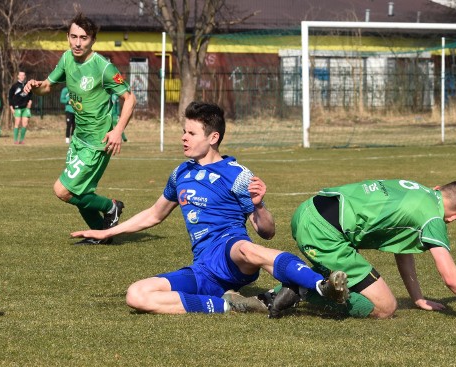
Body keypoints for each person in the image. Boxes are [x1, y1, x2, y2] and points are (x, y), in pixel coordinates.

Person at [71, 101, 349, 315]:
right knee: (137, 295)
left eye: (191, 133)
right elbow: (154, 214)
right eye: (184, 131)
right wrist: (107, 233)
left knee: (245, 247)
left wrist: (259, 205)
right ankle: (231, 305)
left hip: (231, 253)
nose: (184, 137)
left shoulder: (237, 174)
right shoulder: (180, 173)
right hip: (203, 267)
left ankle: (322, 286)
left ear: (213, 137)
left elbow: (266, 232)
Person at [265, 179, 456, 320]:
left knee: (367, 289)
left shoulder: (418, 190)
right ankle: (299, 289)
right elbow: (450, 277)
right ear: (455, 218)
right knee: (385, 307)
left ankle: (303, 284)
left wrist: (417, 298)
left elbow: (403, 250)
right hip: (324, 232)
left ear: (438, 188)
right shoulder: (434, 219)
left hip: (309, 210)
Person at [24, 13, 135, 244]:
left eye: (83, 38)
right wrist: (35, 86)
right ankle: (101, 236)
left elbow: (129, 98)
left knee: (63, 190)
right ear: (67, 37)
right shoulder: (66, 58)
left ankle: (110, 206)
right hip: (79, 138)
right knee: (80, 192)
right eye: (73, 36)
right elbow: (47, 87)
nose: (77, 43)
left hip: (97, 142)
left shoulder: (103, 67)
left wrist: (117, 131)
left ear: (92, 40)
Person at [9, 71, 32, 144]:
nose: (22, 76)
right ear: (18, 76)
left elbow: (31, 94)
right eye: (20, 75)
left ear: (25, 76)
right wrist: (11, 107)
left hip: (25, 108)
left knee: (25, 123)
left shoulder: (27, 85)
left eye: (23, 75)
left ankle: (21, 140)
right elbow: (10, 97)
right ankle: (15, 140)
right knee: (17, 123)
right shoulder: (14, 86)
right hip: (17, 107)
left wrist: (30, 101)